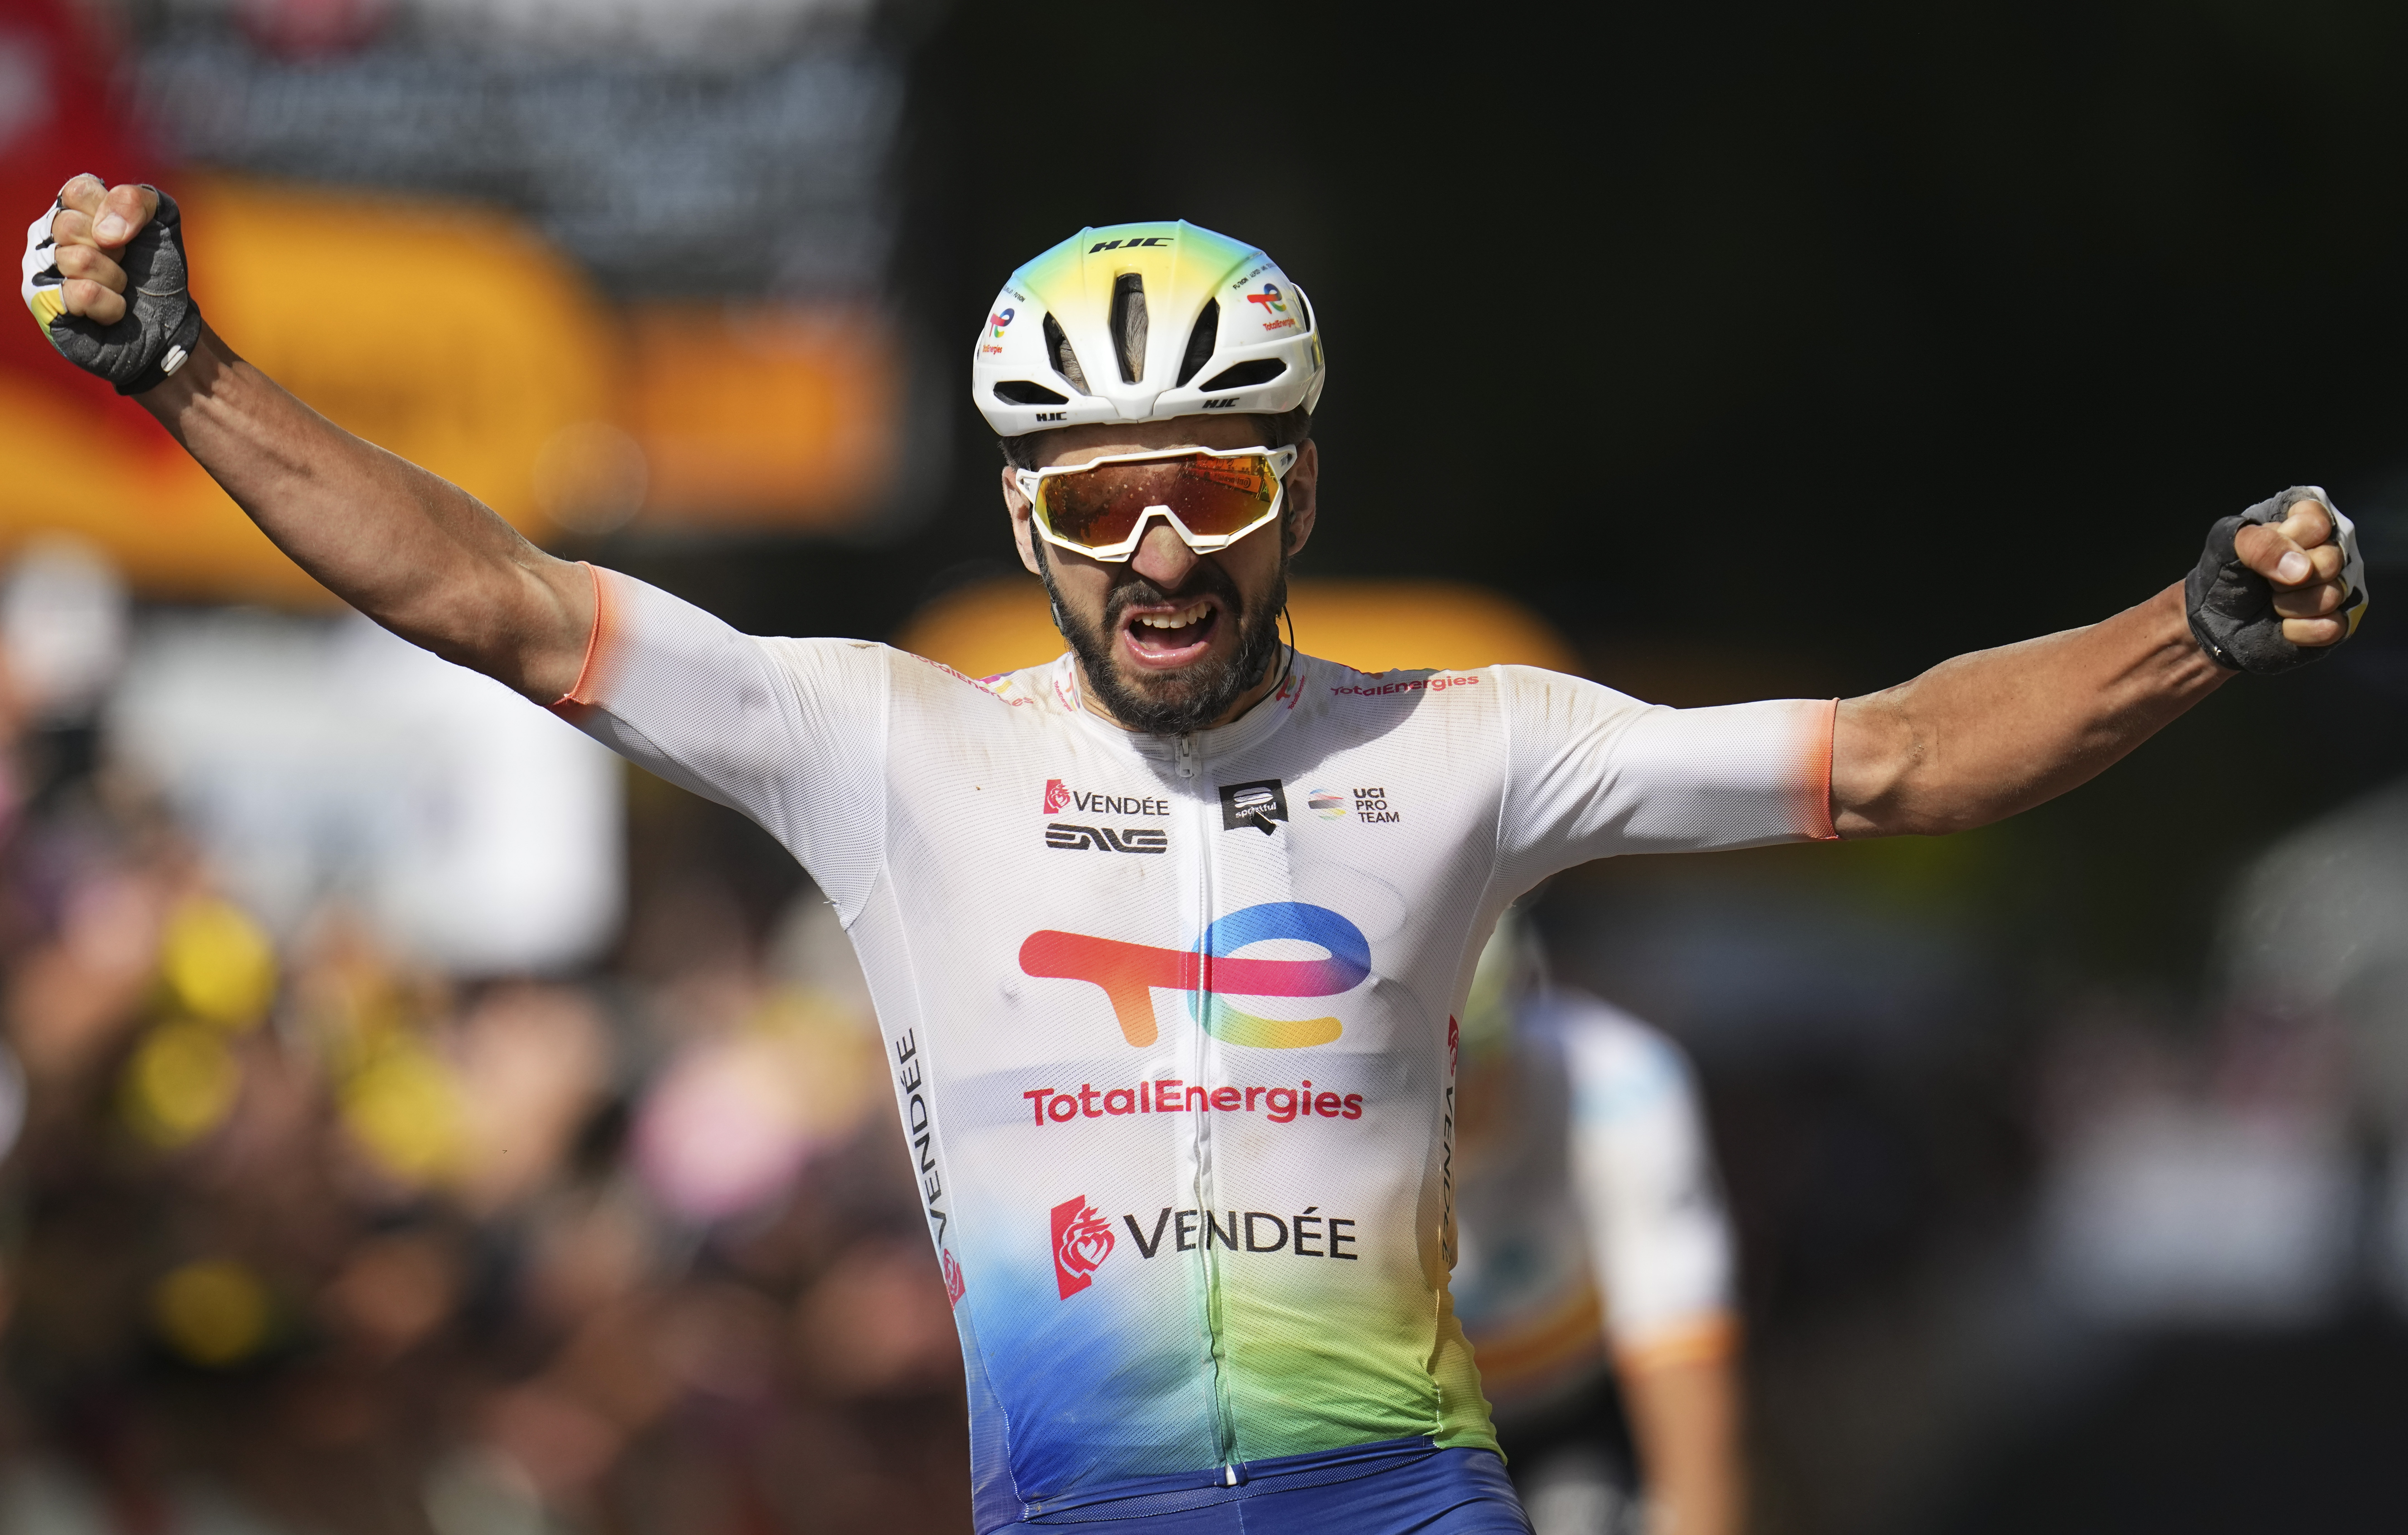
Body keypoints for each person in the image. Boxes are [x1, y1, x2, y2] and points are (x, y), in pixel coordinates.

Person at [19, 179, 2368, 1535]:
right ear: (1028, 520)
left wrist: (2194, 628)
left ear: (1298, 494)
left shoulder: (1475, 746)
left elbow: (1899, 757)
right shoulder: (884, 740)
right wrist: (182, 364)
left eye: (1217, 490)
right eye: (1098, 501)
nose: (1161, 551)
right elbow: (500, 598)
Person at [1453, 911, 1743, 1535]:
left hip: (1574, 1410)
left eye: (1467, 1062)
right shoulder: (1288, 1116)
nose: (1445, 1099)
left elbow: (1682, 1370)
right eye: (1403, 1072)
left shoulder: (1620, 1084)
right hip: (1415, 1425)